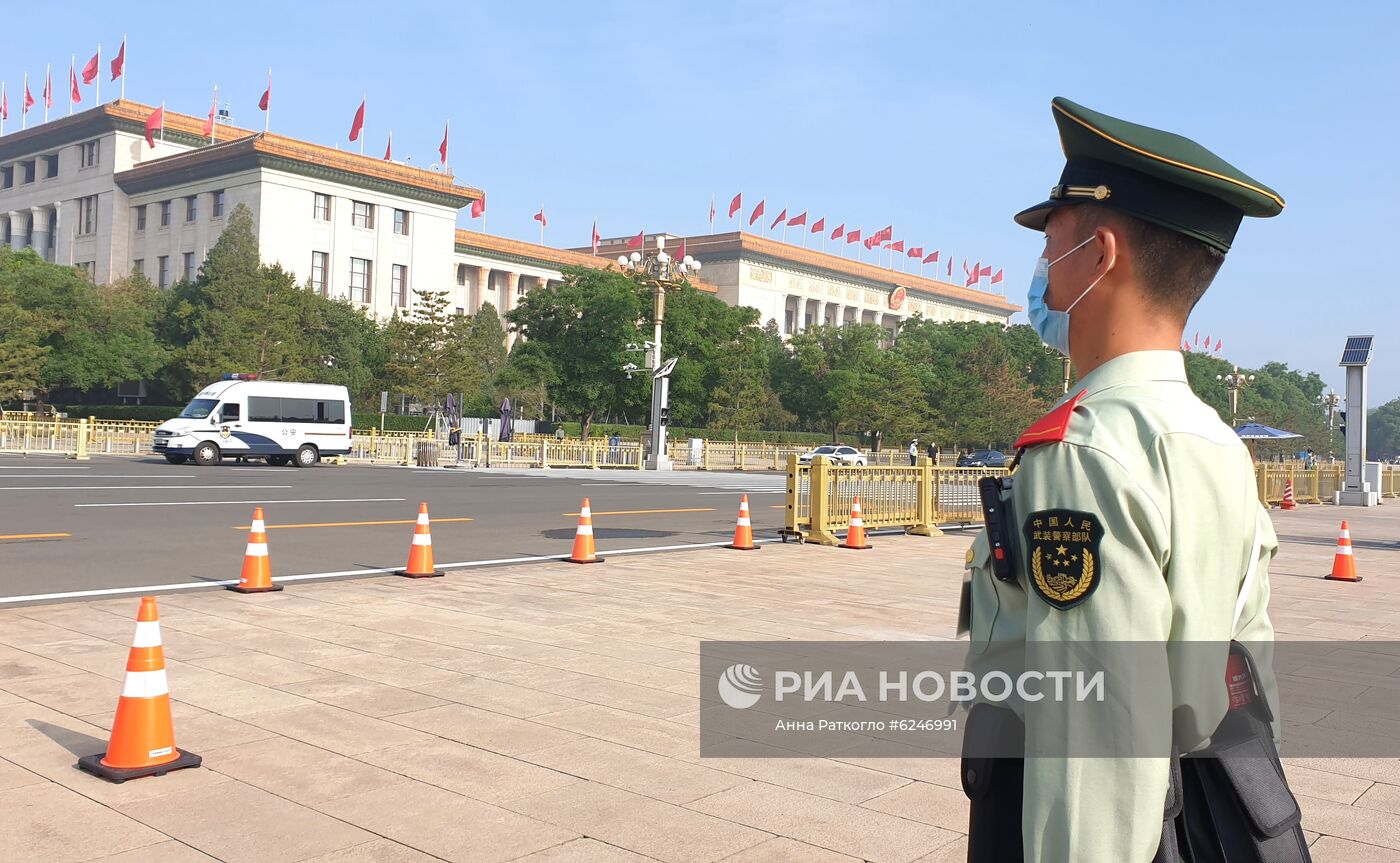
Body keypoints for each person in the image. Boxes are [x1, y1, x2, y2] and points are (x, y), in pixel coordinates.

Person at [960, 97, 1306, 861]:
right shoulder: (1214, 442)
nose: (1042, 258)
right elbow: (1250, 676)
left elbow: (1093, 741)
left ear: (1102, 254)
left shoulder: (1083, 452)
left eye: (1051, 233)